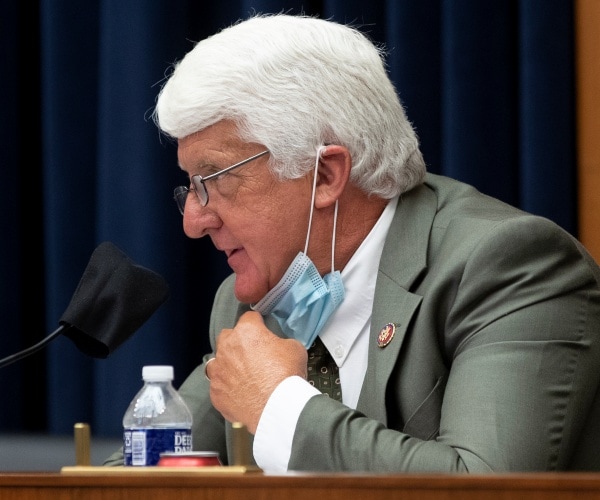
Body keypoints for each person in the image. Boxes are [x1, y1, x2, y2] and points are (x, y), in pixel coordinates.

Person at [104, 13, 600, 472]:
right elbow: (147, 472)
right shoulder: (255, 300)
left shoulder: (507, 266)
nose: (193, 220)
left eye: (214, 179)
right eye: (190, 185)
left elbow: (481, 484)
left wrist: (280, 406)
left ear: (326, 175)